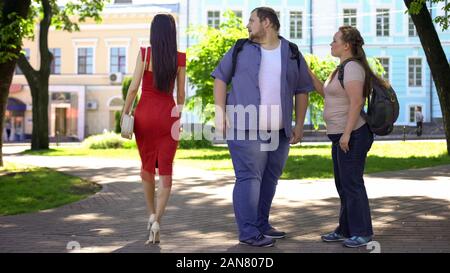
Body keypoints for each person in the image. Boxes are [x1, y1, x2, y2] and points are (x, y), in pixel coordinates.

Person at [212, 7, 313, 247]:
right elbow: (220, 78)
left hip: (279, 130)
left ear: (266, 23)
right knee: (249, 178)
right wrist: (219, 114)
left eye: (251, 20)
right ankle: (248, 232)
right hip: (244, 127)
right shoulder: (240, 48)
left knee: (270, 179)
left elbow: (302, 90)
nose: (247, 25)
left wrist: (299, 124)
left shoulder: (292, 52)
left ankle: (261, 224)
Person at [308, 26, 389, 248]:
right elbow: (325, 93)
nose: (331, 44)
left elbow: (356, 103)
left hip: (353, 135)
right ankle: (345, 229)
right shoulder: (340, 69)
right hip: (342, 137)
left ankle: (363, 233)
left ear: (346, 45)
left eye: (334, 41)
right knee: (343, 185)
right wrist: (305, 69)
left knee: (352, 184)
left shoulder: (352, 68)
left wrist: (345, 134)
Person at [121, 14, 186, 245]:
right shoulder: (179, 58)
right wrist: (178, 115)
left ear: (153, 32)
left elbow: (133, 88)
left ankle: (150, 215)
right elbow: (181, 95)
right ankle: (158, 220)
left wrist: (125, 112)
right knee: (166, 170)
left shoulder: (145, 53)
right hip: (168, 116)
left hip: (145, 115)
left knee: (147, 165)